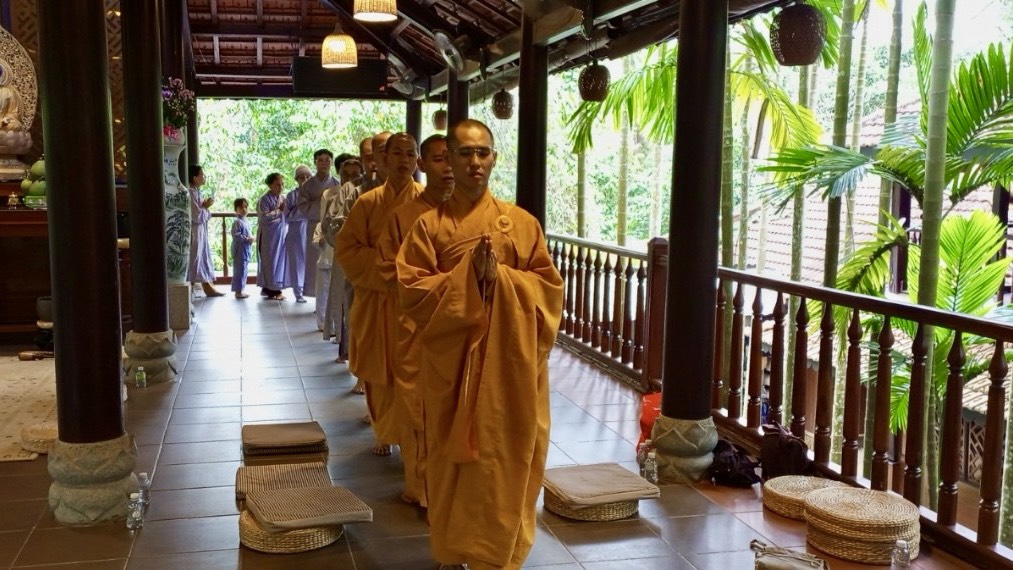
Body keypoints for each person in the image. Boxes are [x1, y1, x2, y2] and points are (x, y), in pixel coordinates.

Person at [395, 119, 563, 569]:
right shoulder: (428, 227)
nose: (475, 162)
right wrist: (468, 280)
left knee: (512, 454)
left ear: (494, 158)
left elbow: (549, 290)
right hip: (453, 365)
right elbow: (412, 291)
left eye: (483, 152)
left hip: (513, 364)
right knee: (451, 456)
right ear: (449, 160)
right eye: (465, 153)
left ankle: (501, 553)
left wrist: (501, 279)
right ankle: (454, 548)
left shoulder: (522, 224)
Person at [378, 133, 454, 507]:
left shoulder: (481, 216)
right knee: (418, 408)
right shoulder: (402, 216)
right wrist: (446, 288)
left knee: (457, 410)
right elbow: (389, 270)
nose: (449, 167)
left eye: (453, 158)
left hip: (462, 330)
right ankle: (421, 487)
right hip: (416, 326)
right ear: (424, 164)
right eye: (439, 159)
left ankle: (454, 488)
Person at [335, 132, 423, 456]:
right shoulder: (368, 203)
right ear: (384, 159)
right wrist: (387, 269)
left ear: (418, 161)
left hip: (414, 301)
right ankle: (382, 430)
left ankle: (411, 433)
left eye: (410, 154)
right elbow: (347, 249)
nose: (403, 161)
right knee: (379, 371)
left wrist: (411, 272)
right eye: (397, 154)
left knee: (413, 370)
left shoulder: (428, 201)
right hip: (377, 300)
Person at [334, 132, 392, 390]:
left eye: (388, 151)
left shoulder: (416, 193)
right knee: (363, 324)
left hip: (400, 274)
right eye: (370, 156)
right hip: (365, 272)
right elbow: (341, 234)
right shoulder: (356, 192)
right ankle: (364, 375)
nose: (376, 160)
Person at [317, 156, 364, 345]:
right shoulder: (332, 194)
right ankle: (341, 339)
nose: (351, 178)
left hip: (363, 253)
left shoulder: (366, 191)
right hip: (342, 248)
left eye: (356, 174)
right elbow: (326, 222)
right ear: (340, 175)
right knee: (340, 295)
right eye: (347, 174)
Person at [295, 149, 339, 297]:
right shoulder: (307, 185)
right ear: (315, 163)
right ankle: (315, 294)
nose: (324, 163)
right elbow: (303, 206)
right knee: (314, 260)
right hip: (313, 226)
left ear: (331, 163)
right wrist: (322, 202)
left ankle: (330, 296)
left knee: (331, 260)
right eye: (320, 160)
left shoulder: (337, 184)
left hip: (332, 227)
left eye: (327, 160)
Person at [187, 164, 223, 297]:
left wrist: (204, 206)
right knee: (194, 258)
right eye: (202, 174)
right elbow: (196, 216)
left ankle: (207, 286)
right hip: (194, 231)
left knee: (202, 257)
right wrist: (206, 208)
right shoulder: (190, 192)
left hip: (200, 230)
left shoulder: (196, 191)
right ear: (195, 178)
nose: (204, 177)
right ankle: (190, 288)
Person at [256, 172, 287, 300]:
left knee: (278, 261)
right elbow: (263, 218)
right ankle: (274, 290)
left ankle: (270, 289)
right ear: (270, 185)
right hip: (268, 237)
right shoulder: (264, 200)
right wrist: (279, 210)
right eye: (278, 184)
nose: (281, 187)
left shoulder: (283, 198)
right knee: (269, 262)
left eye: (282, 184)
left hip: (279, 235)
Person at [285, 165, 312, 302]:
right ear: (296, 179)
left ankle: (312, 291)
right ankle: (298, 292)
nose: (305, 179)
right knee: (296, 263)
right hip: (295, 232)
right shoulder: (291, 196)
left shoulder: (314, 194)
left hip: (310, 230)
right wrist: (300, 211)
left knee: (311, 261)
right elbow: (286, 216)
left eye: (307, 177)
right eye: (301, 177)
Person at [231, 198, 254, 299]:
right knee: (239, 271)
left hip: (246, 249)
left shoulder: (246, 221)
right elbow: (236, 235)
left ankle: (241, 290)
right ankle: (238, 291)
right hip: (239, 250)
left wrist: (251, 239)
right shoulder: (237, 222)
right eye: (241, 207)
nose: (244, 209)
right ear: (236, 210)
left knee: (244, 270)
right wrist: (247, 239)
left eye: (245, 207)